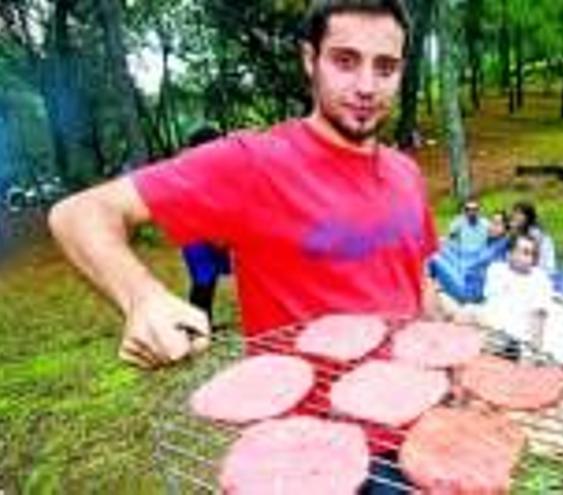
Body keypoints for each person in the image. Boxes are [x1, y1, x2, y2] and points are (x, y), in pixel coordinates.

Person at [48, 0, 437, 368]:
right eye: (345, 61)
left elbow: (416, 281)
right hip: (304, 433)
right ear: (309, 60)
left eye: (385, 67)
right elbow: (79, 214)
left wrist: (446, 346)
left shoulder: (407, 174)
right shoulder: (253, 163)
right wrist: (142, 298)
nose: (367, 86)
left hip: (416, 416)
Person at [177, 125, 232, 322]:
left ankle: (204, 321)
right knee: (203, 279)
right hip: (196, 235)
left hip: (209, 230)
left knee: (209, 278)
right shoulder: (189, 169)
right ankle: (197, 326)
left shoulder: (207, 166)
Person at [482, 234, 555, 360]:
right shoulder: (496, 269)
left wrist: (535, 351)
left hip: (514, 340)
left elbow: (539, 316)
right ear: (509, 254)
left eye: (533, 254)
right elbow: (492, 302)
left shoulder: (540, 279)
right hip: (490, 329)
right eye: (525, 253)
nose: (530, 259)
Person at [429, 209, 510, 305]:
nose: (492, 227)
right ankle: (432, 284)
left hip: (469, 291)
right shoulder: (490, 244)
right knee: (438, 249)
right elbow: (467, 252)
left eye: (497, 224)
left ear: (505, 229)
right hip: (466, 279)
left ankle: (428, 287)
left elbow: (468, 263)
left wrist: (449, 254)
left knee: (433, 257)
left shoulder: (499, 248)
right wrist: (447, 244)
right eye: (492, 222)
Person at [509, 200, 556, 273]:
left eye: (520, 213)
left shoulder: (536, 235)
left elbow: (540, 260)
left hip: (541, 269)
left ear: (528, 217)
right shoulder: (516, 232)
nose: (515, 216)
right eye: (515, 212)